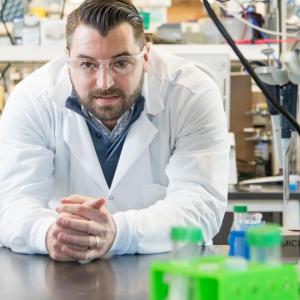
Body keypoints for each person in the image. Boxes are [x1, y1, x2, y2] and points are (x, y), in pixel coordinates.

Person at [0, 0, 229, 262]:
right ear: (68, 61)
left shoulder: (191, 95)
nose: (105, 82)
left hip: (169, 272)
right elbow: (11, 202)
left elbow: (202, 205)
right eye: (87, 64)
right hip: (66, 273)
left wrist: (118, 232)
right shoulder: (32, 100)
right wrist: (47, 232)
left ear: (144, 56)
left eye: (120, 63)